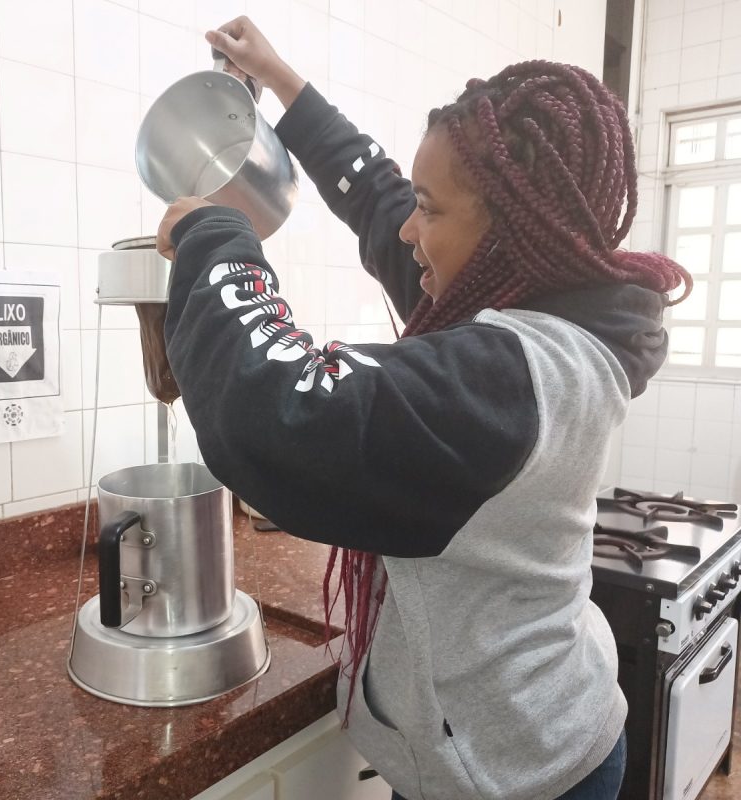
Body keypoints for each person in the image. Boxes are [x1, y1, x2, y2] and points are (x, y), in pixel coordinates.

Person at [155, 17, 690, 800]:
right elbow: (377, 199)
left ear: (509, 235)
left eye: (432, 211)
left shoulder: (516, 376)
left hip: (518, 773)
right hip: (502, 741)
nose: (409, 230)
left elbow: (273, 415)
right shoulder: (540, 307)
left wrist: (213, 234)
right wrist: (280, 80)